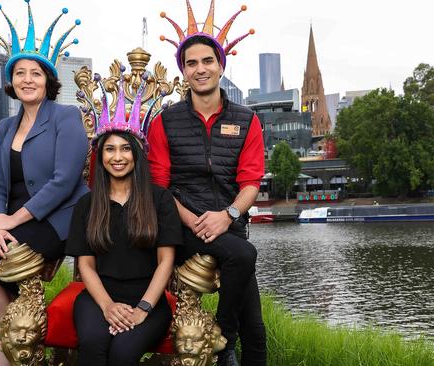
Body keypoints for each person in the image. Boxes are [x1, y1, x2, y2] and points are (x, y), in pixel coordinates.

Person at [0, 4, 87, 365]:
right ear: (11, 81)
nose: (28, 79)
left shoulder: (66, 117)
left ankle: (29, 337)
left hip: (57, 220)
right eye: (20, 73)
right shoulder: (4, 128)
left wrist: (12, 222)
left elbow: (64, 181)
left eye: (36, 73)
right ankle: (23, 336)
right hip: (14, 223)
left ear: (48, 80)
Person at [151, 4, 265, 365]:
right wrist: (192, 220)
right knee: (244, 255)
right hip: (181, 225)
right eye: (191, 63)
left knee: (257, 331)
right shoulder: (164, 122)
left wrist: (227, 214)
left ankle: (228, 336)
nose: (200, 69)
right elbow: (158, 186)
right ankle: (225, 338)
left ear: (220, 65)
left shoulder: (246, 120)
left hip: (229, 225)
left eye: (207, 61)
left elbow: (250, 182)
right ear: (183, 70)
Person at [66, 75, 183, 366]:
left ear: (137, 154)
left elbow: (166, 262)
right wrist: (107, 306)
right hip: (97, 297)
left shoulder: (160, 200)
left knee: (122, 351)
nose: (117, 157)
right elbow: (85, 265)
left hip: (149, 299)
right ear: (101, 155)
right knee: (93, 344)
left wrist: (143, 308)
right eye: (110, 149)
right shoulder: (87, 205)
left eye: (125, 148)